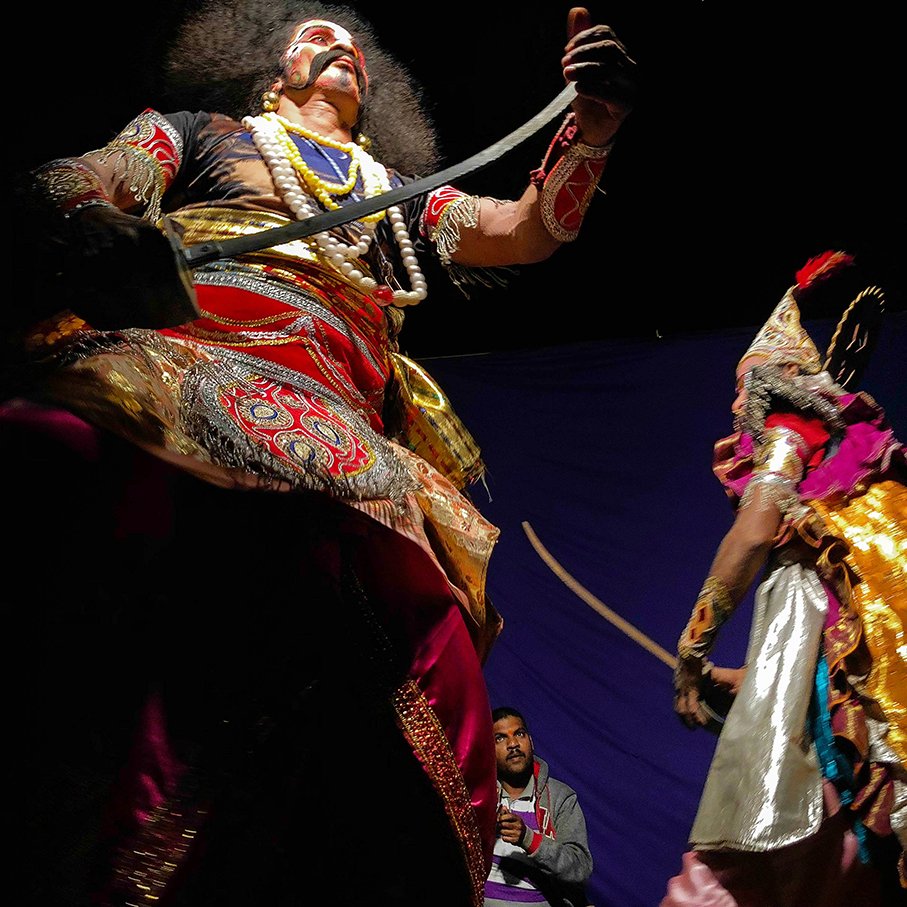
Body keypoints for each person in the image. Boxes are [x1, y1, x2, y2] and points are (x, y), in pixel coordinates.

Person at [4, 3, 636, 906]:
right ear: (272, 73)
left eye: (355, 50)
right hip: (189, 359)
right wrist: (91, 220)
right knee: (53, 455)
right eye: (316, 38)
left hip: (346, 421)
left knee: (425, 657)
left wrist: (592, 132)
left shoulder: (395, 188)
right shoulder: (199, 134)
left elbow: (527, 230)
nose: (341, 47)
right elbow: (81, 176)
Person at [662, 251, 906, 907]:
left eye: (744, 383)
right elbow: (822, 670)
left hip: (821, 719)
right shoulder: (845, 505)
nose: (737, 400)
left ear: (777, 379)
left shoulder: (785, 430)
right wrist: (728, 680)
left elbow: (749, 533)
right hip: (856, 709)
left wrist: (694, 650)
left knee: (725, 880)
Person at [485, 706, 593, 907]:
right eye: (500, 738)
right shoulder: (480, 797)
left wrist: (528, 838)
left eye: (519, 733)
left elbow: (580, 867)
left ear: (531, 742)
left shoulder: (560, 797)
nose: (513, 744)